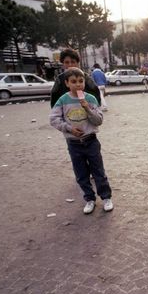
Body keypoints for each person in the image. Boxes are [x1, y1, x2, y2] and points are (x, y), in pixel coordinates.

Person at [49, 67, 114, 215]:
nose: (78, 84)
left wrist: (87, 108)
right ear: (67, 83)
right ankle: (89, 199)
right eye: (73, 82)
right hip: (74, 144)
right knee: (81, 174)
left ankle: (106, 197)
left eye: (81, 81)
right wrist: (68, 128)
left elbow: (98, 121)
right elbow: (53, 119)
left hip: (91, 141)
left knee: (98, 171)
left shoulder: (90, 99)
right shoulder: (63, 100)